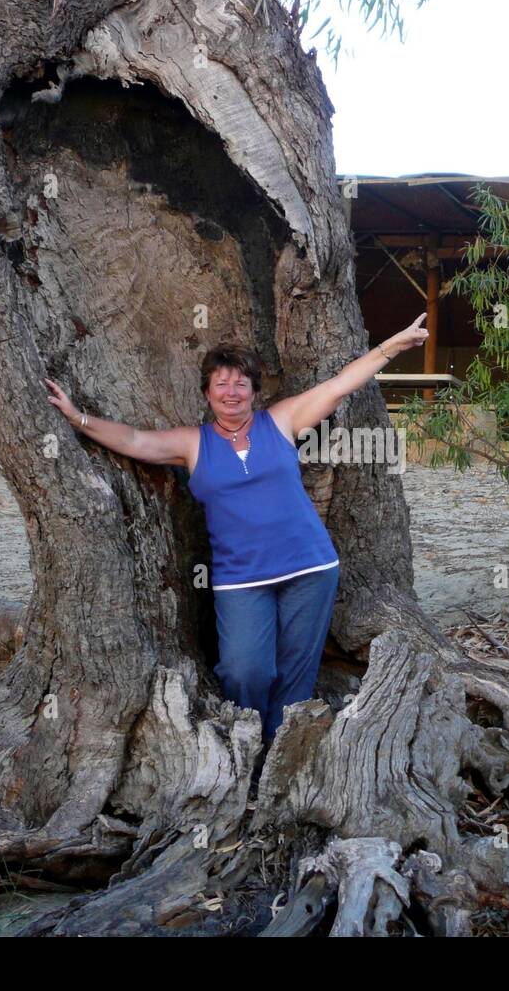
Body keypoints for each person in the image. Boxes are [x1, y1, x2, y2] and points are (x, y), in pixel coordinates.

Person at [44, 313, 428, 755]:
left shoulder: (281, 422)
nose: (231, 392)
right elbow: (134, 440)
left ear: (254, 391)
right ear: (207, 393)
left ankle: (279, 753)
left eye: (241, 383)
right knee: (246, 670)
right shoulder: (193, 443)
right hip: (240, 578)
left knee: (295, 672)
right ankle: (246, 747)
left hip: (310, 567)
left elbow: (340, 384)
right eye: (221, 384)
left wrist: (392, 346)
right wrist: (78, 419)